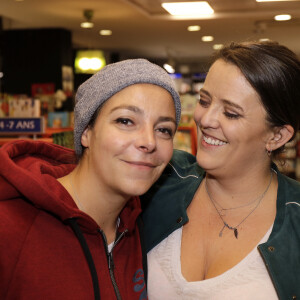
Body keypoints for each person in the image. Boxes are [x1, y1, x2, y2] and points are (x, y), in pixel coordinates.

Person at [0, 58, 181, 300]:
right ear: (86, 132)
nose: (149, 141)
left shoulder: (134, 226)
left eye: (164, 129)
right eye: (125, 121)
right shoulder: (10, 226)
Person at [141, 41, 300, 299]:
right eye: (205, 101)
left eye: (231, 113)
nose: (205, 119)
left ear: (278, 136)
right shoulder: (159, 178)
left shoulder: (296, 220)